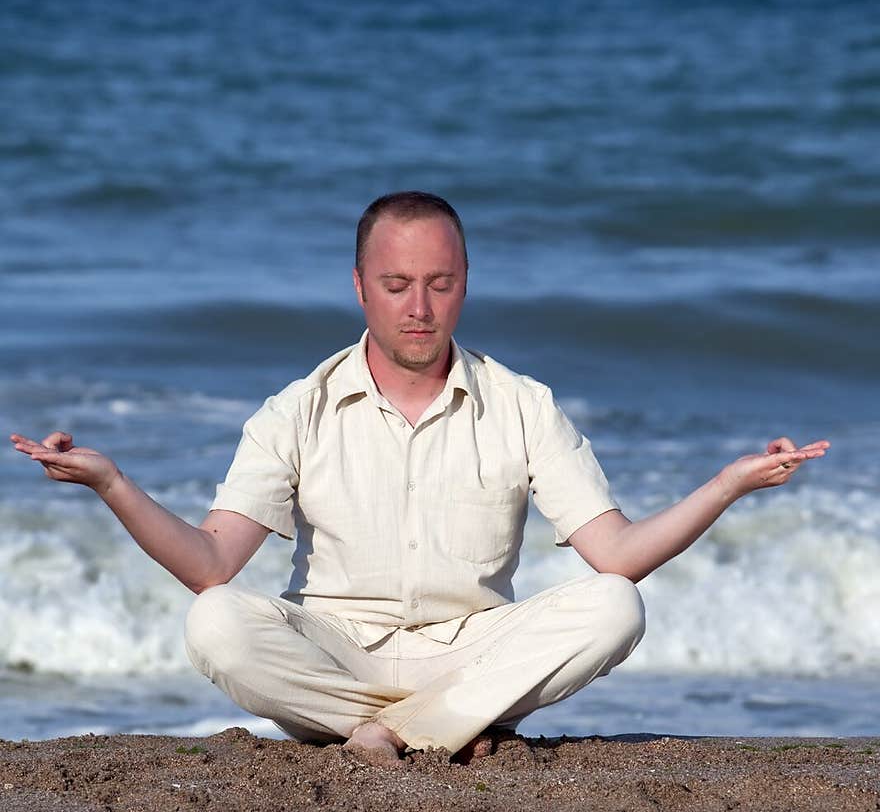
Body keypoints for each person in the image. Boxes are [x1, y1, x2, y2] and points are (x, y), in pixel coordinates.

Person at [11, 191, 829, 766]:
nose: (419, 307)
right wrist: (111, 484)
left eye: (440, 284)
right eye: (397, 285)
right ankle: (435, 730)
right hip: (339, 652)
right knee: (215, 622)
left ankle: (394, 734)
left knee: (617, 605)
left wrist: (728, 484)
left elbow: (616, 554)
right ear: (361, 286)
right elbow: (211, 565)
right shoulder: (297, 409)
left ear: (464, 283)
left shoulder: (521, 405)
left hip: (473, 653)